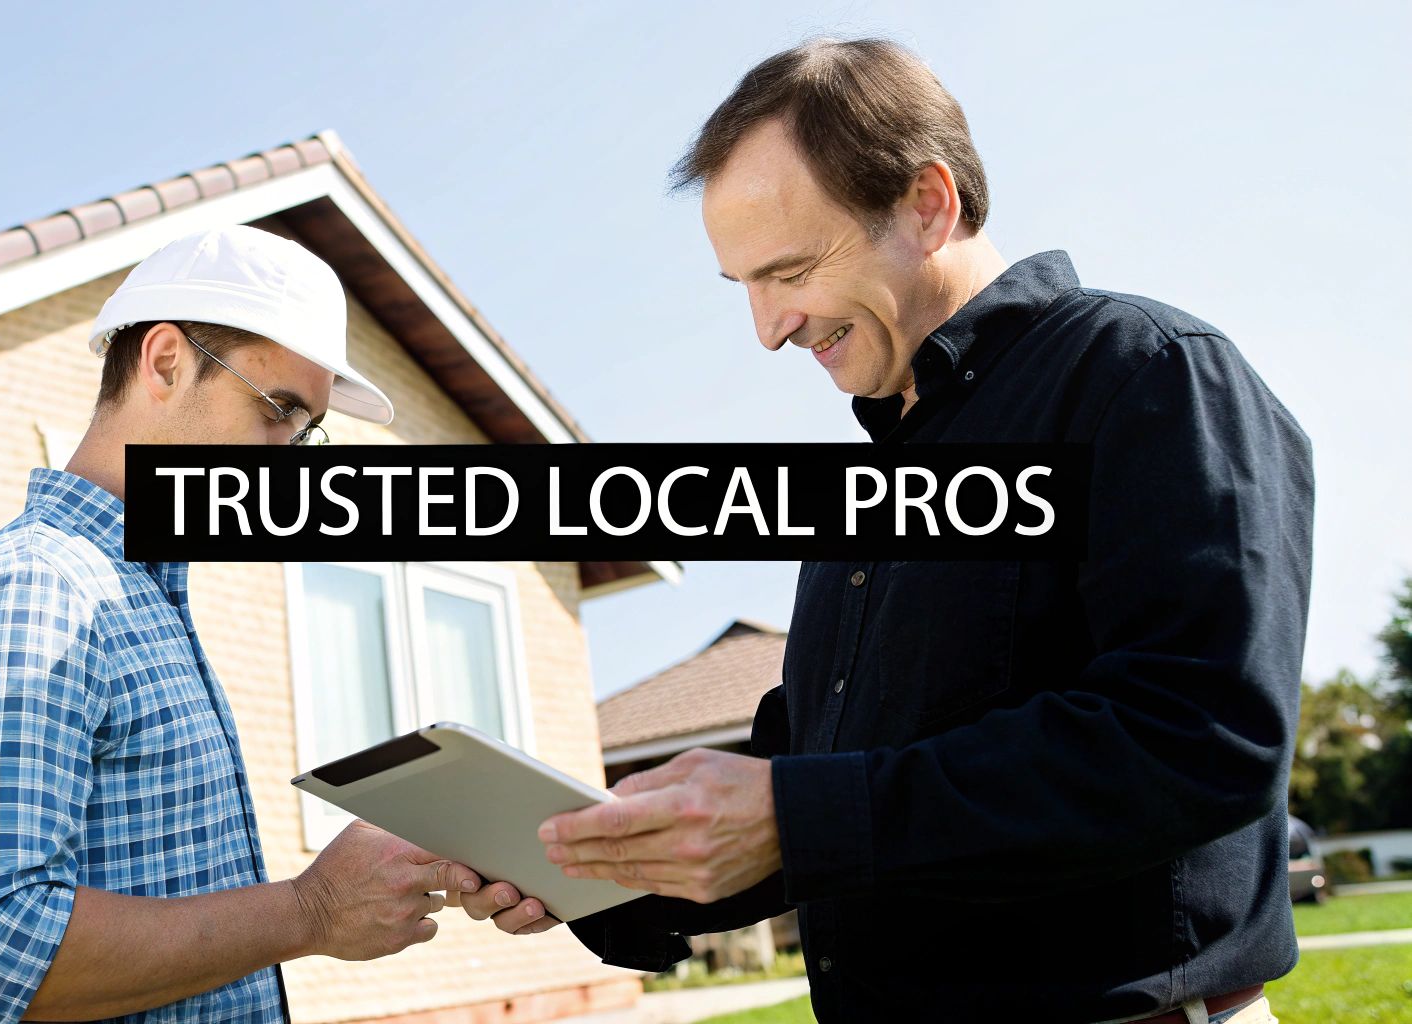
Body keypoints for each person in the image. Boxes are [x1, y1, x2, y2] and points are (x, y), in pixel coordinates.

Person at [461, 38, 1310, 1024]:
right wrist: (600, 872)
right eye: (739, 284)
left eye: (786, 271)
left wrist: (801, 813)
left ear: (925, 202)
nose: (766, 327)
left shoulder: (1147, 373)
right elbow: (831, 793)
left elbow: (1200, 738)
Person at [0, 226, 491, 1024]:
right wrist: (310, 911)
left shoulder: (140, 598)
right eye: (276, 409)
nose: (285, 454)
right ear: (165, 362)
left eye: (304, 429)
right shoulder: (36, 593)